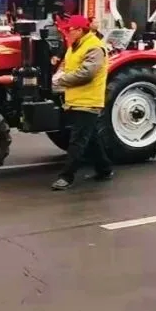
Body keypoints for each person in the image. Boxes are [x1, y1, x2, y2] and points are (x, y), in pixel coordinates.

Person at [51, 15, 112, 191]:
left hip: (88, 101)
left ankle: (66, 177)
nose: (67, 33)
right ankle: (105, 169)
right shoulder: (74, 46)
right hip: (76, 99)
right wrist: (59, 73)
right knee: (91, 138)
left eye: (69, 30)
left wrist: (60, 80)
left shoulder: (94, 47)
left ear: (79, 30)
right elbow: (67, 65)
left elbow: (87, 73)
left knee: (77, 141)